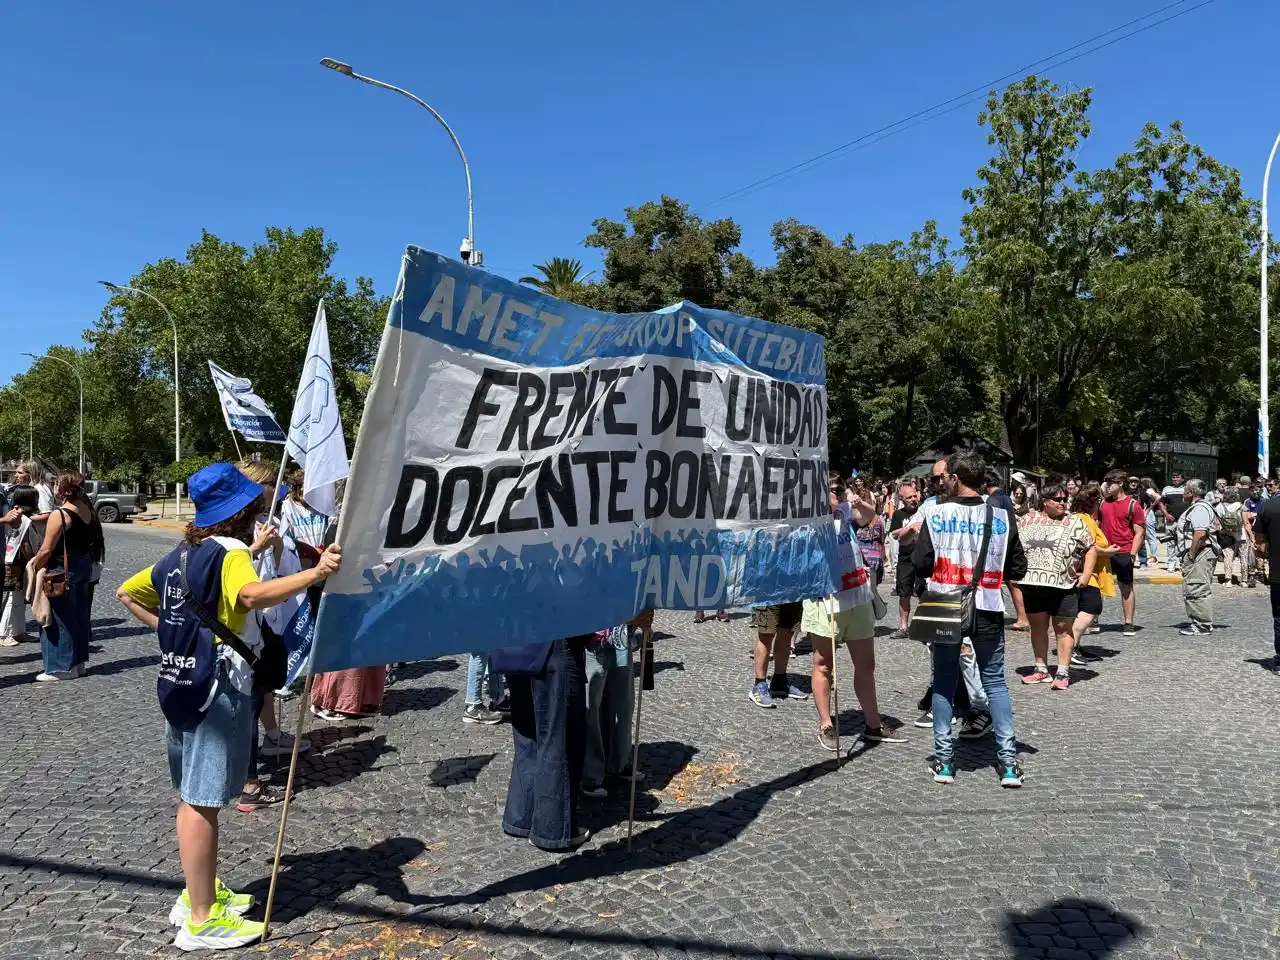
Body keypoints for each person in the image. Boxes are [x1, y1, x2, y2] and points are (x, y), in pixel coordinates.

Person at [116, 462, 343, 950]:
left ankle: (198, 892)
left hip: (179, 681)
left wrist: (172, 633)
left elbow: (128, 591)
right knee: (201, 802)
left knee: (191, 795)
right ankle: (201, 918)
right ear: (243, 508)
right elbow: (251, 594)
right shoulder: (233, 550)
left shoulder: (185, 550)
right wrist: (315, 572)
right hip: (218, 688)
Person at [913, 450, 1028, 788]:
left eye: (943, 477)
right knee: (995, 682)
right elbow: (1017, 568)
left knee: (945, 680)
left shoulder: (935, 514)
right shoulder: (1002, 518)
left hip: (945, 606)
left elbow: (920, 564)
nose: (940, 482)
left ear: (956, 478)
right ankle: (1008, 764)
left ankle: (945, 762)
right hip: (989, 605)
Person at [804, 473, 907, 751]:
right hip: (825, 601)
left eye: (837, 488)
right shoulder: (807, 520)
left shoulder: (846, 513)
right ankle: (826, 723)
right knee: (823, 663)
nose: (834, 493)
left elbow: (869, 515)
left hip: (857, 597)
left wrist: (856, 500)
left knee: (866, 665)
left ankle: (873, 724)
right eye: (829, 489)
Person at [235, 461, 310, 813]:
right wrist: (257, 549)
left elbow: (286, 572)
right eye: (269, 484)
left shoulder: (273, 523)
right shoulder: (233, 528)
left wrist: (278, 548)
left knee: (262, 687)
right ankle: (248, 783)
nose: (276, 490)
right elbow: (232, 578)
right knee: (245, 703)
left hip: (268, 622)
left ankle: (270, 740)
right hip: (242, 627)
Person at [495, 634, 590, 852]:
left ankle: (520, 817)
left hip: (515, 643)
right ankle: (552, 828)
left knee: (528, 736)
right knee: (557, 738)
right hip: (554, 643)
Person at [1014, 482, 1097, 691]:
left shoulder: (1075, 522)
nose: (1063, 503)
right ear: (1045, 501)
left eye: (1064, 499)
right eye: (1057, 499)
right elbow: (1015, 547)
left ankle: (1062, 671)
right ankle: (1041, 669)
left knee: (1062, 628)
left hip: (1064, 585)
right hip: (1033, 584)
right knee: (1038, 628)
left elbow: (1091, 548)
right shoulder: (1027, 520)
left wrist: (1086, 575)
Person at [29, 471, 96, 681]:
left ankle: (60, 667)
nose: (54, 488)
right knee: (79, 616)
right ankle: (78, 663)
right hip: (83, 565)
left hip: (61, 569)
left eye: (56, 485)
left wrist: (34, 565)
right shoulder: (86, 510)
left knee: (58, 619)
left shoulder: (60, 514)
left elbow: (46, 549)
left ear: (64, 489)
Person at [581, 612, 645, 799]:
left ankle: (619, 762)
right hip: (591, 637)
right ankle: (591, 774)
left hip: (620, 633)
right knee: (590, 707)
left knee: (623, 703)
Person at [1070, 483, 1117, 664]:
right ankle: (1070, 646)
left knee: (1082, 610)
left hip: (1084, 571)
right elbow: (1087, 546)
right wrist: (1108, 552)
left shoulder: (1078, 517)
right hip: (1087, 572)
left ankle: (1075, 645)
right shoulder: (1086, 520)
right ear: (1093, 502)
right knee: (1091, 609)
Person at [1098, 469, 1146, 637]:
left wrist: (1132, 555)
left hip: (1124, 551)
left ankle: (1128, 622)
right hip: (1105, 551)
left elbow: (1139, 532)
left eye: (1110, 483)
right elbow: (1097, 525)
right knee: (1098, 586)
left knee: (1126, 587)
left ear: (1120, 484)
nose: (1107, 486)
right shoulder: (1103, 504)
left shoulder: (1133, 505)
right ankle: (1093, 618)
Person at [1176, 479, 1219, 636]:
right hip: (1203, 552)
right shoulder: (1201, 507)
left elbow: (1200, 534)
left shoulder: (1200, 508)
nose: (1182, 492)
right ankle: (1200, 623)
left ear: (1191, 492)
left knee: (1197, 587)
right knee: (1197, 586)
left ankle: (1202, 626)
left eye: (1185, 489)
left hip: (1201, 552)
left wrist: (1191, 555)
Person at [1, 485, 41, 645]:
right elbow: (25, 544)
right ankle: (5, 634)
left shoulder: (15, 515)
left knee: (19, 599)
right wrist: (34, 561)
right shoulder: (23, 519)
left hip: (16, 562)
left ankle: (18, 631)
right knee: (12, 598)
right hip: (15, 562)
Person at [887, 480, 921, 641]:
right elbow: (894, 533)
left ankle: (925, 626)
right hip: (905, 557)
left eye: (915, 495)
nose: (914, 499)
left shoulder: (924, 510)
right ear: (902, 499)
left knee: (925, 592)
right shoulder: (899, 514)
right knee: (904, 592)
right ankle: (903, 627)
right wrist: (910, 528)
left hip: (923, 556)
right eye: (909, 497)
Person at [1251, 491, 1280, 673]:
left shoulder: (1268, 506)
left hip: (1278, 574)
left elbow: (1260, 543)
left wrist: (1264, 553)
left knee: (1279, 619)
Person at [1215, 487, 1254, 587]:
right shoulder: (1242, 507)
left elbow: (1218, 523)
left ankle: (1228, 581)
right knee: (1244, 558)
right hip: (1242, 536)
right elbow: (1246, 523)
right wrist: (1252, 536)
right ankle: (1244, 581)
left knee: (1228, 558)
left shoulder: (1220, 506)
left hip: (1227, 536)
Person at [1161, 471, 1188, 573]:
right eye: (1173, 477)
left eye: (1177, 477)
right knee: (1170, 542)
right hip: (1171, 520)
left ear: (1182, 479)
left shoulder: (1187, 489)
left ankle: (1183, 563)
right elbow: (1161, 503)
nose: (1175, 479)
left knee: (1184, 542)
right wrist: (1166, 514)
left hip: (1185, 521)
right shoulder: (1167, 489)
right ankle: (1171, 563)